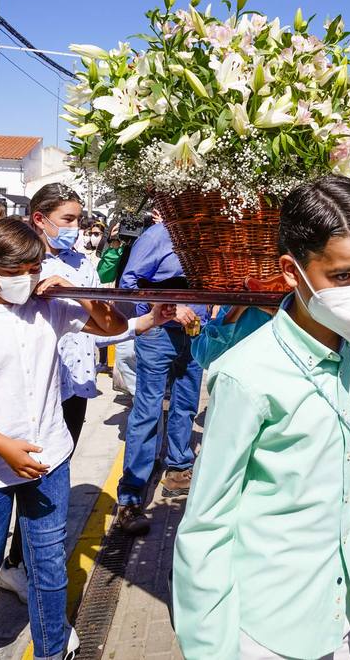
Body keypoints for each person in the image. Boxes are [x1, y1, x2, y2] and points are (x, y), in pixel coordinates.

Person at [172, 175, 350, 659]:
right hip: (271, 630)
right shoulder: (246, 376)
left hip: (349, 612)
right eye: (342, 276)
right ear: (292, 272)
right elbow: (206, 527)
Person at [0, 217, 132, 660]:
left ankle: (51, 647)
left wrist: (78, 291)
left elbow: (112, 326)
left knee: (48, 564)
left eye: (34, 267)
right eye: (15, 270)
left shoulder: (52, 307)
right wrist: (4, 446)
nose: (27, 277)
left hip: (49, 457)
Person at [114, 212, 206, 532]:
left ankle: (179, 468)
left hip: (197, 333)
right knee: (148, 410)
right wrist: (160, 312)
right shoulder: (158, 235)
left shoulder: (211, 235)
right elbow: (129, 281)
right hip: (158, 335)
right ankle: (131, 495)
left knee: (186, 404)